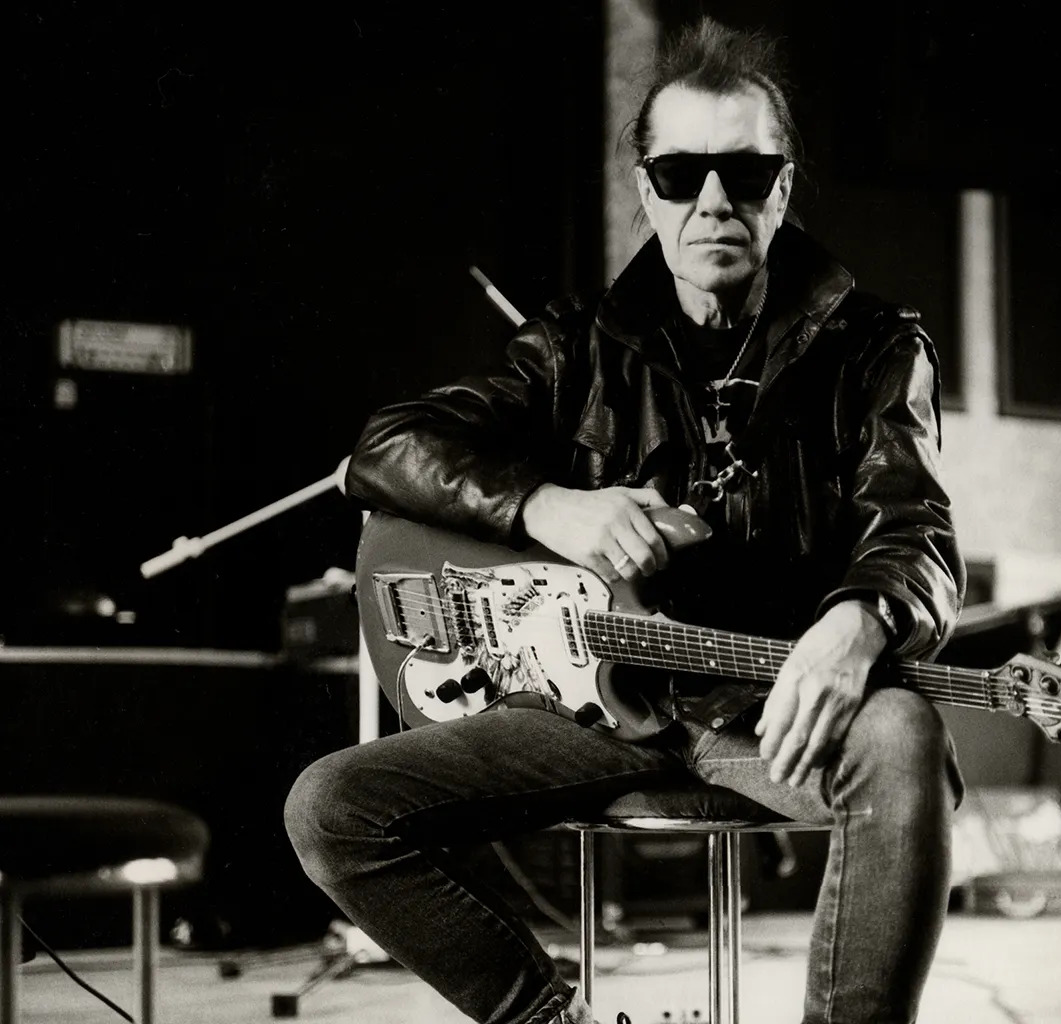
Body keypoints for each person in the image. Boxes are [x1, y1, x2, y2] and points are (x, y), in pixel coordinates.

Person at [285, 17, 964, 1024]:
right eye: (682, 174)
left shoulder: (875, 349)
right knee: (332, 806)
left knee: (903, 733)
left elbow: (917, 534)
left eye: (746, 174)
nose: (714, 201)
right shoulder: (574, 345)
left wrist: (857, 622)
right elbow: (387, 447)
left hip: (763, 709)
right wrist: (549, 505)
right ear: (647, 190)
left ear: (783, 189)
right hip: (585, 713)